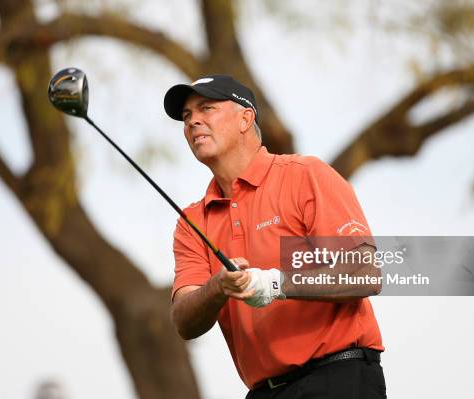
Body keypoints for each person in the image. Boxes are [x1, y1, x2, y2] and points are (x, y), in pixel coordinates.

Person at [165, 75, 386, 399]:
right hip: (264, 392)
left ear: (245, 118)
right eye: (186, 116)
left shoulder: (305, 175)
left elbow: (365, 273)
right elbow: (184, 321)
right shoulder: (193, 221)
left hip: (338, 378)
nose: (193, 120)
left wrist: (273, 283)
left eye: (206, 108)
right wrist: (218, 286)